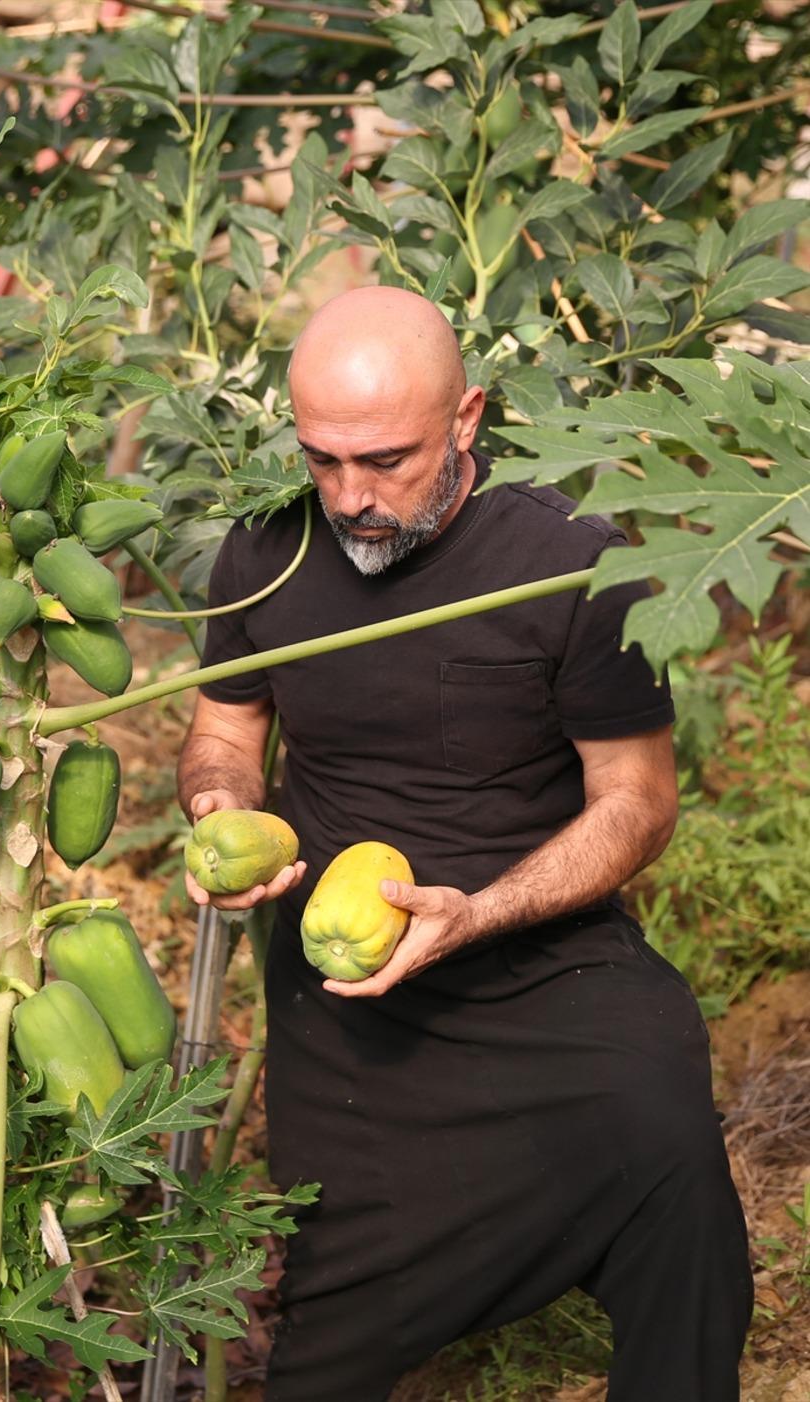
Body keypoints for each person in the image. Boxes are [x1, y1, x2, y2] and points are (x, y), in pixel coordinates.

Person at [177, 286, 753, 1401]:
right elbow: (222, 729)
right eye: (321, 459)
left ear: (469, 417)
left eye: (385, 460)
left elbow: (637, 800)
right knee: (339, 1316)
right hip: (348, 983)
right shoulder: (266, 555)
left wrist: (480, 911)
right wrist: (221, 807)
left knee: (667, 1145)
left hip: (539, 952)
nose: (350, 497)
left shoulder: (572, 562)